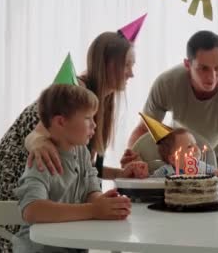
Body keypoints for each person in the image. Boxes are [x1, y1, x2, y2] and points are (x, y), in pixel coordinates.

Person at [0, 23, 148, 253]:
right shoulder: (75, 92)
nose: (131, 73)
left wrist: (119, 175)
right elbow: (38, 136)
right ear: (109, 64)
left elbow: (76, 167)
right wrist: (37, 142)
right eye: (127, 65)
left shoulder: (96, 103)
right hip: (12, 177)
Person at [123, 30, 218, 196]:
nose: (212, 77)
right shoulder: (167, 84)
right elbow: (143, 130)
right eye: (203, 69)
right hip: (179, 156)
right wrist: (133, 160)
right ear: (188, 65)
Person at [13, 83, 131, 253]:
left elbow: (91, 191)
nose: (94, 125)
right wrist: (93, 210)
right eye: (88, 118)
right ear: (61, 122)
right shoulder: (43, 159)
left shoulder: (82, 152)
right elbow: (32, 210)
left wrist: (104, 202)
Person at [137, 113, 218, 177]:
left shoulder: (200, 167)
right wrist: (143, 174)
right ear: (173, 159)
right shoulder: (165, 172)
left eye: (195, 144)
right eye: (189, 146)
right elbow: (150, 182)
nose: (196, 148)